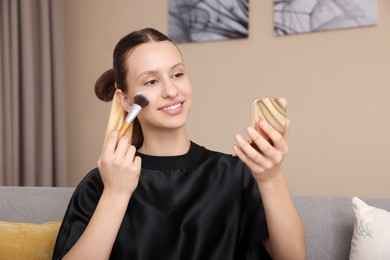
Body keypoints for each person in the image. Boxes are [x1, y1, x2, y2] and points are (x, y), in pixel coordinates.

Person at [53, 28, 306, 260]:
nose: (171, 91)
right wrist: (115, 194)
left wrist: (271, 178)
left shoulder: (235, 174)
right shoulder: (100, 184)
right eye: (151, 81)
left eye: (177, 74)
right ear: (126, 100)